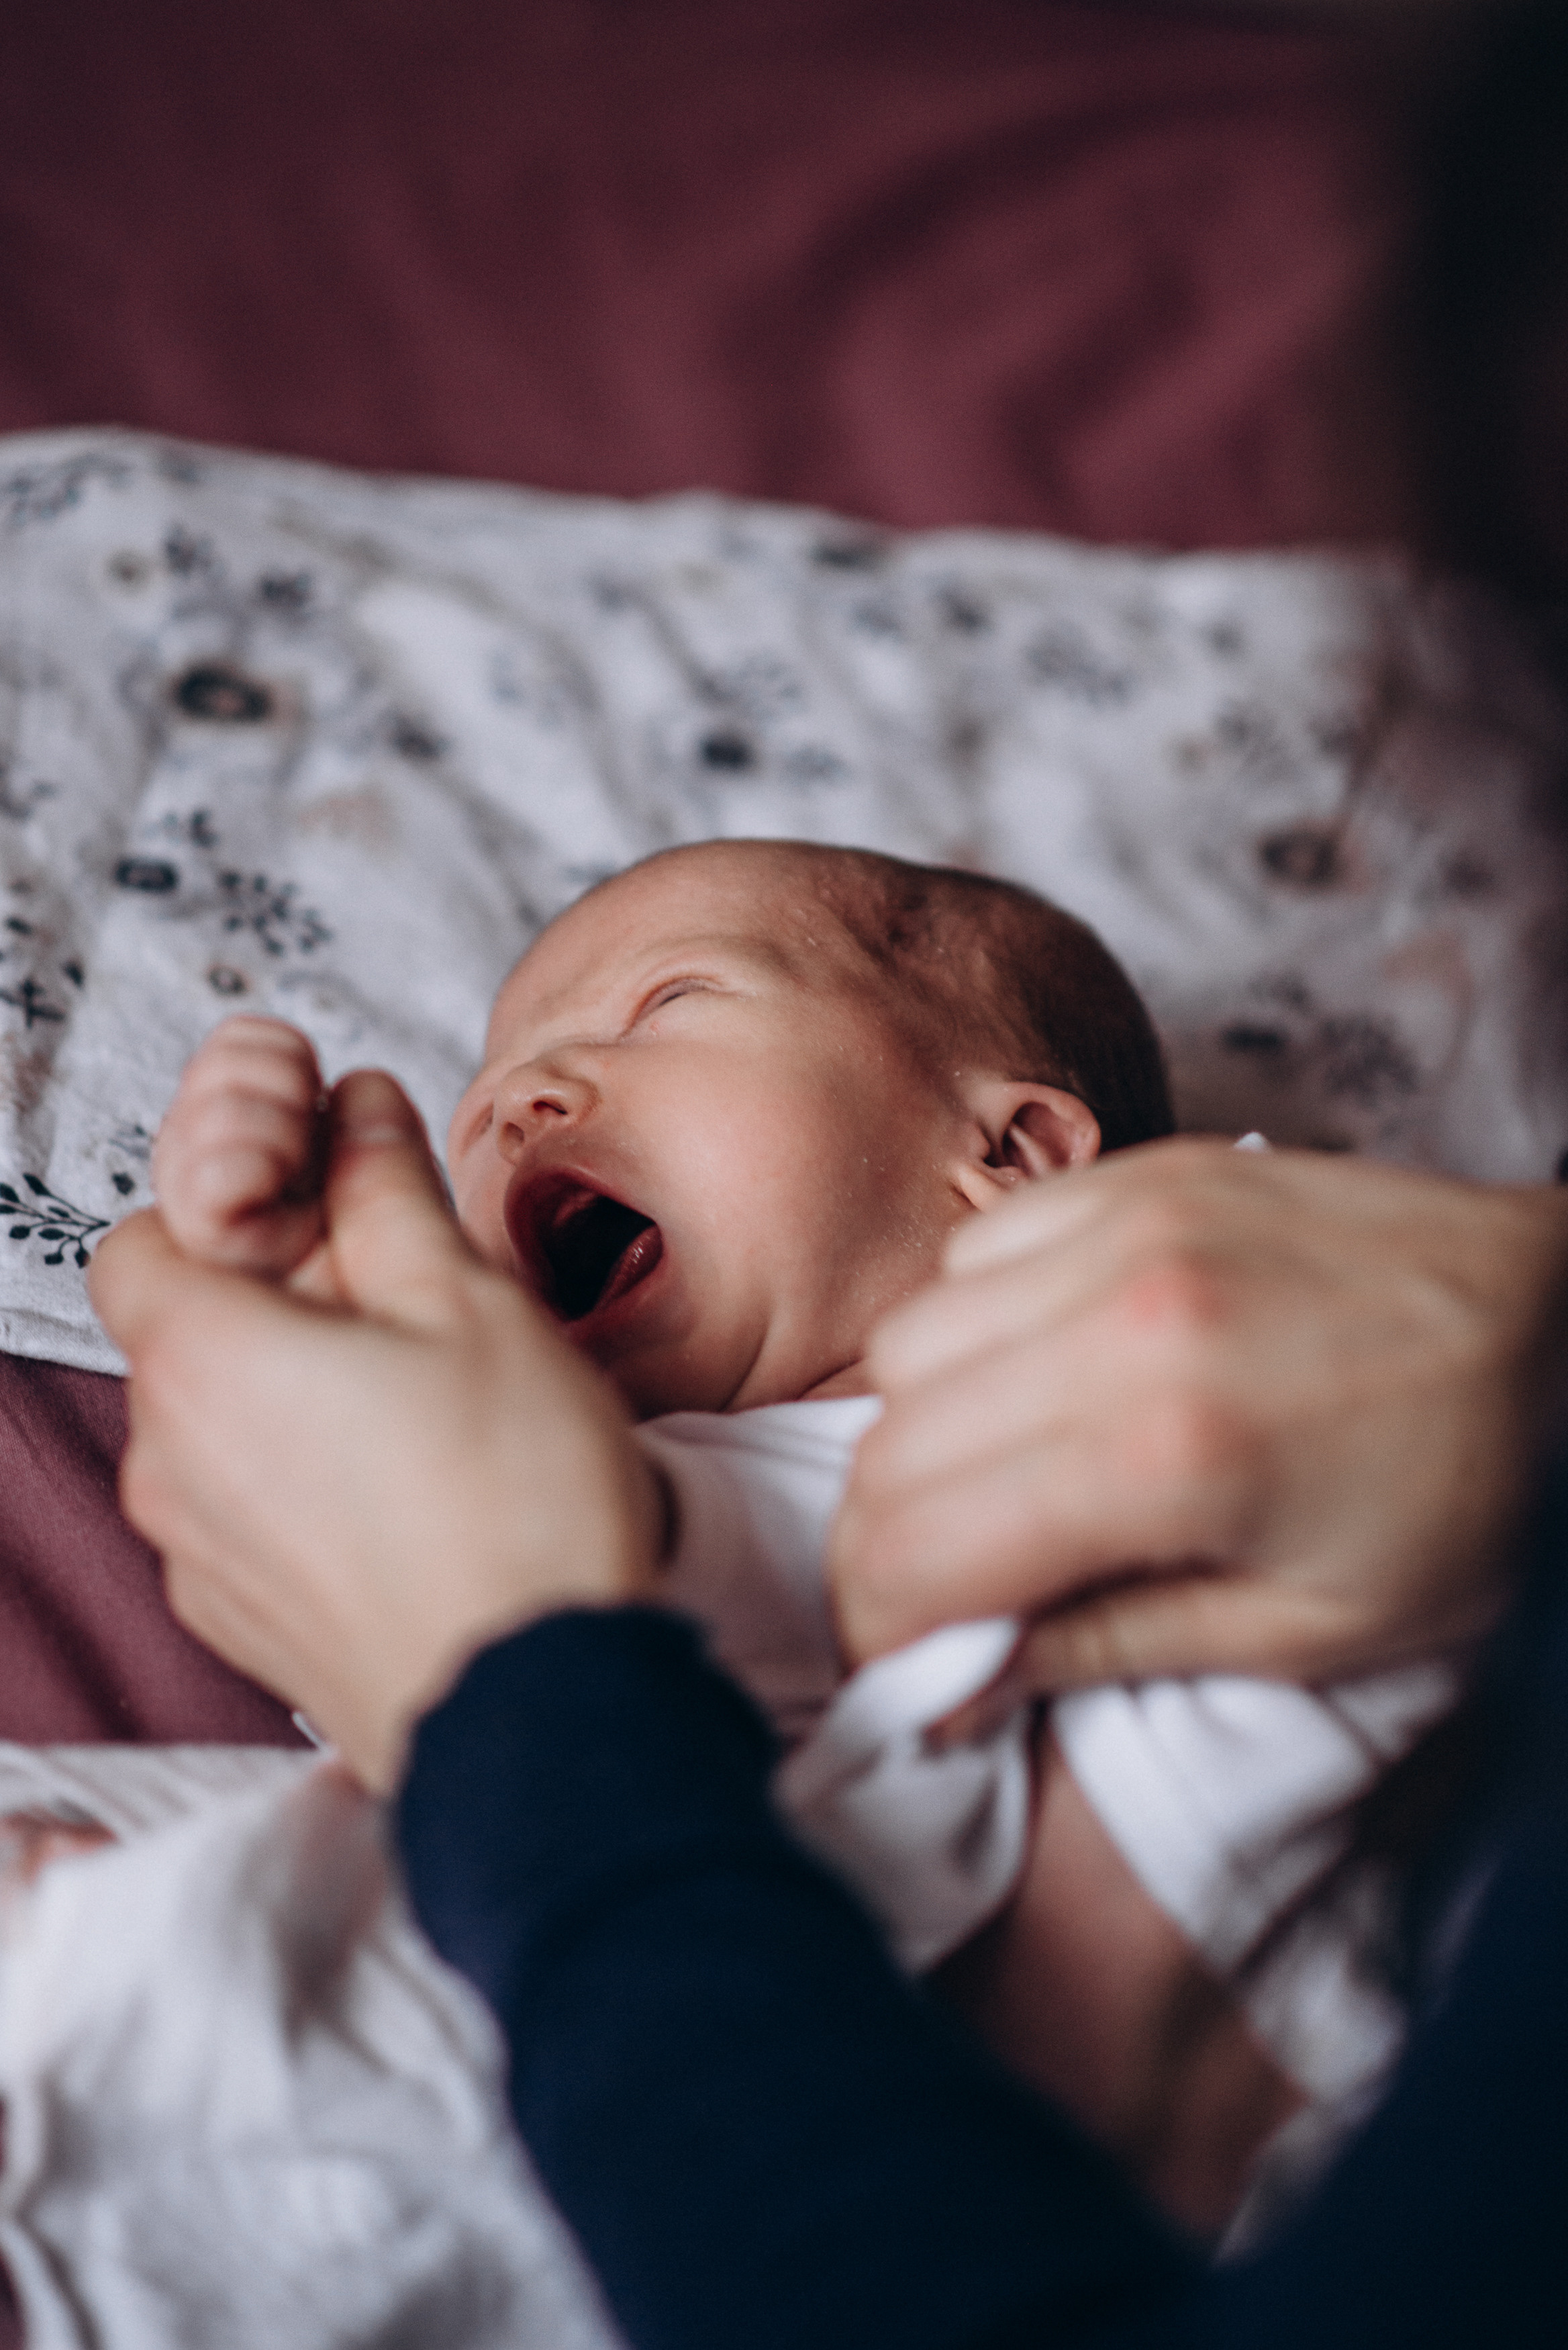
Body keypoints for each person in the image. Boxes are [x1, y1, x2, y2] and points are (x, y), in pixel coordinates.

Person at [93, 1051, 1568, 2346]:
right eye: (487, 1090)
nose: (504, 1102)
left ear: (1017, 1157)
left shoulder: (1103, 1342)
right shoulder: (687, 1458)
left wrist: (488, 1627)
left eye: (666, 1003)